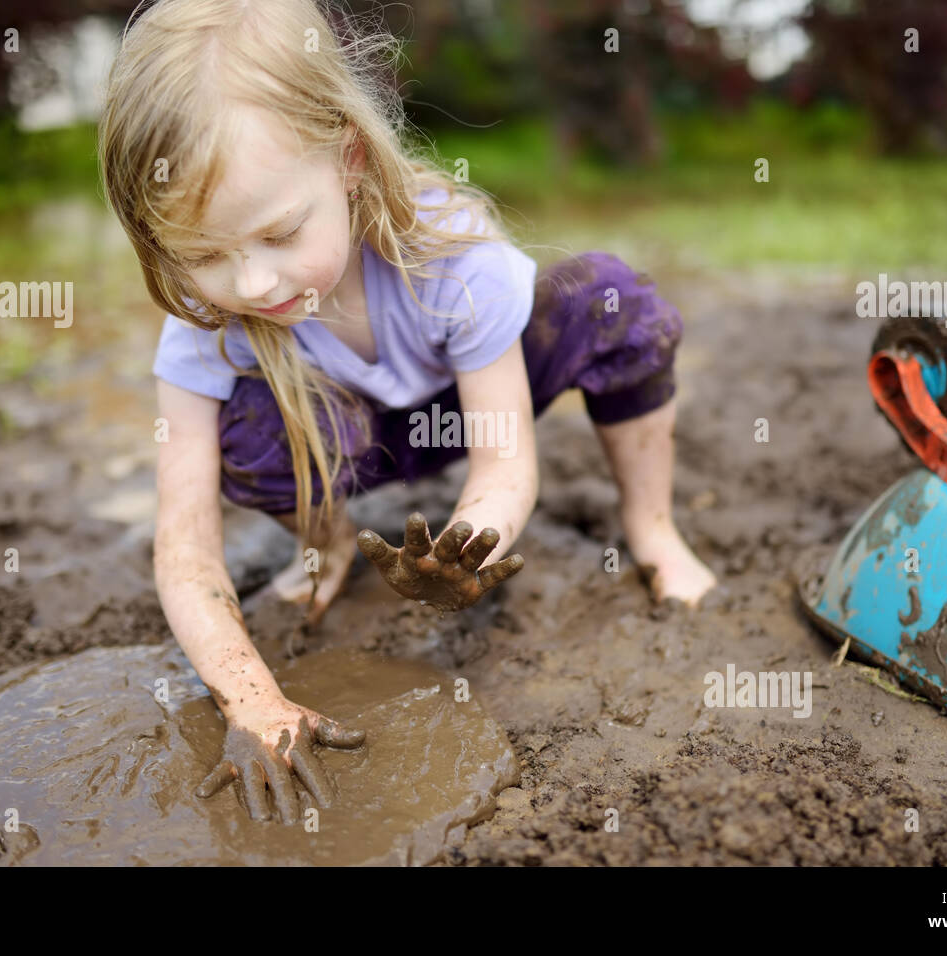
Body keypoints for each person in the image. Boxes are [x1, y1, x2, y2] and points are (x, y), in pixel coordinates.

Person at [98, 0, 716, 824]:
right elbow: (183, 545)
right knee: (240, 428)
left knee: (616, 302)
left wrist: (469, 546)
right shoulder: (207, 334)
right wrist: (252, 700)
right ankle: (326, 544)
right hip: (349, 437)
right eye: (204, 256)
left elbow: (504, 464)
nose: (252, 286)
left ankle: (653, 528)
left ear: (348, 159)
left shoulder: (453, 256)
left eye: (280, 234)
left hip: (474, 402)